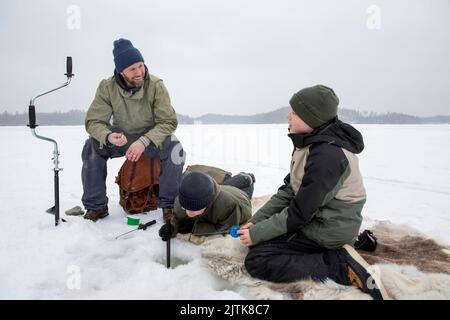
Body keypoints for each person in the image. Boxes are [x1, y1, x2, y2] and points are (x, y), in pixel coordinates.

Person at [237, 85, 389, 300]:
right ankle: (343, 252)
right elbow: (289, 191)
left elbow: (300, 212)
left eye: (295, 112)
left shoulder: (328, 156)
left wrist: (257, 234)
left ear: (312, 118)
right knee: (261, 241)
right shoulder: (308, 143)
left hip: (328, 229)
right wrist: (257, 222)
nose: (288, 116)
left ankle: (340, 265)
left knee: (258, 260)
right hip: (317, 219)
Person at [81, 38, 185, 221]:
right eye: (132, 69)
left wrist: (144, 141)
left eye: (141, 65)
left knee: (176, 149)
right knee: (92, 146)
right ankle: (96, 207)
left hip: (151, 138)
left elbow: (168, 122)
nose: (139, 72)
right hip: (121, 138)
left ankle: (169, 205)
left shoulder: (156, 85)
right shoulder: (107, 87)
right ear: (121, 71)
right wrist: (108, 136)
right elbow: (93, 122)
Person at [158, 171, 255, 241]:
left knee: (245, 184)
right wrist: (171, 227)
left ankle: (247, 178)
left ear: (207, 203)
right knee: (223, 186)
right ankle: (237, 179)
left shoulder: (228, 206)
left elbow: (224, 229)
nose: (188, 213)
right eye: (185, 208)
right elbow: (176, 217)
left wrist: (194, 228)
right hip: (220, 189)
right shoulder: (181, 201)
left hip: (242, 198)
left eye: (194, 210)